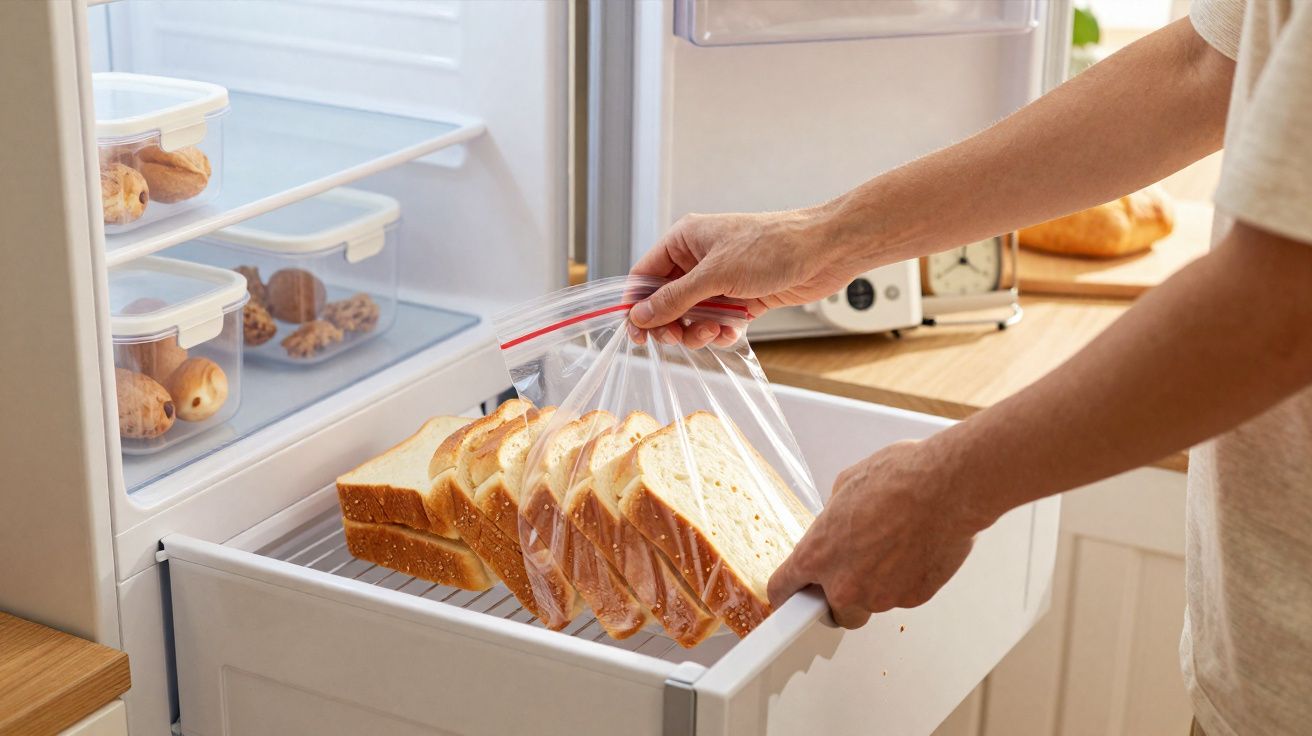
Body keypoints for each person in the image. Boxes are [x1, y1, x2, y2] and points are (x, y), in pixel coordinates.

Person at [627, 2, 1311, 735]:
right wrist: (821, 238)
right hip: (1254, 661)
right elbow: (1205, 66)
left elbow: (1283, 306)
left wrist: (947, 488)